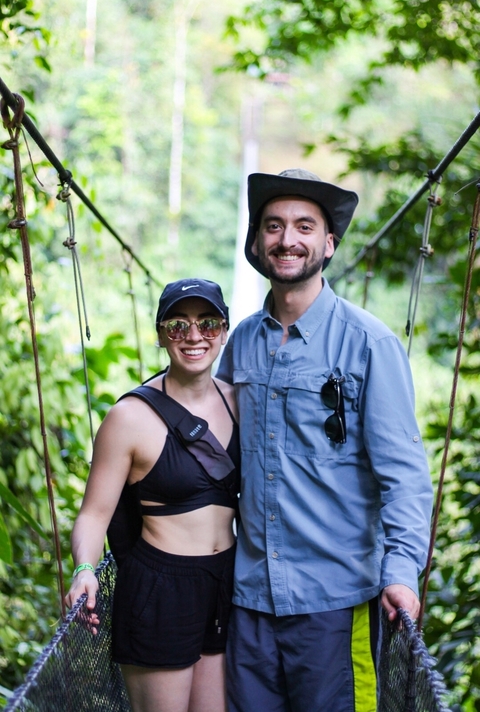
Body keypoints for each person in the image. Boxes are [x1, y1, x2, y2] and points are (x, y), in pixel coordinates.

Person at [217, 168, 433, 712]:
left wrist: (403, 573)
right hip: (249, 603)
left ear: (328, 242)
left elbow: (403, 476)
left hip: (337, 606)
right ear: (257, 240)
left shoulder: (369, 344)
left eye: (304, 226)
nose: (287, 239)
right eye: (273, 225)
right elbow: (208, 445)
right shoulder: (239, 342)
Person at [65, 278, 239, 712]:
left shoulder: (241, 403)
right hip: (160, 589)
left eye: (209, 323)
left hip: (227, 583)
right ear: (161, 334)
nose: (195, 336)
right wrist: (84, 568)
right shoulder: (129, 417)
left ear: (225, 330)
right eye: (178, 325)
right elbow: (92, 515)